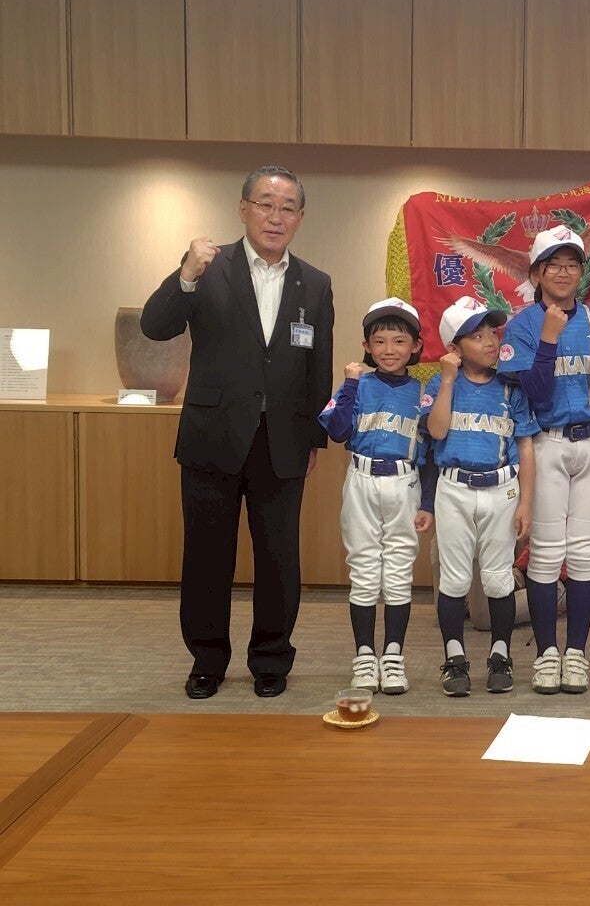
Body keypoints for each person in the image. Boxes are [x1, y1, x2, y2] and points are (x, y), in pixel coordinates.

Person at [141, 165, 333, 700]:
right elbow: (155, 326)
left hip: (282, 441)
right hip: (213, 435)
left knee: (279, 558)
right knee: (207, 555)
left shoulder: (315, 283)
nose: (275, 216)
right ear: (243, 208)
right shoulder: (208, 267)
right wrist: (184, 274)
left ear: (300, 217)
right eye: (265, 204)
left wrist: (313, 437)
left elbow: (317, 366)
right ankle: (207, 659)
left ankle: (271, 659)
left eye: (287, 207)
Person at [497, 227, 590, 694]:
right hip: (546, 443)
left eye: (572, 264)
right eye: (553, 265)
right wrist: (549, 339)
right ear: (536, 273)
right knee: (547, 554)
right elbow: (534, 391)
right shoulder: (523, 324)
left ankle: (576, 654)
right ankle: (547, 654)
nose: (564, 272)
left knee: (586, 554)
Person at [318, 298, 433, 695]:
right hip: (362, 479)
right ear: (366, 346)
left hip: (405, 482)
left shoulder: (423, 393)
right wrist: (350, 384)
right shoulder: (358, 385)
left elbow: (432, 453)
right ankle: (365, 656)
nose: (389, 350)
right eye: (379, 341)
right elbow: (336, 431)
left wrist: (428, 503)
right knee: (364, 570)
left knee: (399, 572)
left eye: (399, 341)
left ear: (416, 346)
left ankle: (393, 656)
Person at [426, 296, 538, 696]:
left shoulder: (510, 386)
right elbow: (437, 431)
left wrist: (526, 502)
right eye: (477, 336)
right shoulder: (440, 384)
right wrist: (448, 380)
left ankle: (500, 655)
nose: (491, 342)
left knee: (497, 577)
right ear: (454, 348)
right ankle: (455, 659)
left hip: (501, 489)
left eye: (493, 332)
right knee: (455, 578)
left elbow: (525, 446)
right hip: (454, 488)